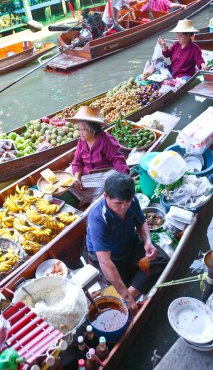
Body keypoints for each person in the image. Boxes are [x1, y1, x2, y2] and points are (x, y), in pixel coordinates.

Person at [86, 173, 170, 312]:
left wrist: (147, 241)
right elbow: (105, 262)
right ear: (106, 196)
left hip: (130, 244)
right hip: (110, 257)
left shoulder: (132, 200)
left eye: (127, 202)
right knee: (118, 283)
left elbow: (141, 222)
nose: (124, 207)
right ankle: (131, 293)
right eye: (118, 203)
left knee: (161, 259)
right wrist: (126, 295)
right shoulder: (98, 218)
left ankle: (130, 294)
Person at [66, 106, 129, 205]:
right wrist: (77, 178)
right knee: (68, 174)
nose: (80, 133)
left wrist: (125, 178)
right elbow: (77, 162)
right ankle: (86, 198)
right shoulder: (81, 142)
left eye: (83, 130)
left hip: (104, 173)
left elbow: (117, 159)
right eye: (79, 129)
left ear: (92, 129)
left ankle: (96, 202)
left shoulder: (106, 140)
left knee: (107, 183)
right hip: (88, 173)